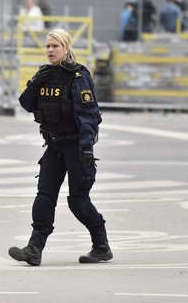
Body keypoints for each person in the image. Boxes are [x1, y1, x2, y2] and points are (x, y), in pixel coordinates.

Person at [8, 28, 111, 266]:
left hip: (76, 146)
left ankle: (101, 246)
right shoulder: (44, 74)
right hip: (54, 144)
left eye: (55, 46)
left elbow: (89, 115)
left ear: (66, 48)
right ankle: (34, 248)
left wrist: (87, 148)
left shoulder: (78, 77)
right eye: (47, 46)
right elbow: (25, 103)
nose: (50, 50)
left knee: (78, 201)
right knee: (44, 195)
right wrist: (34, 83)